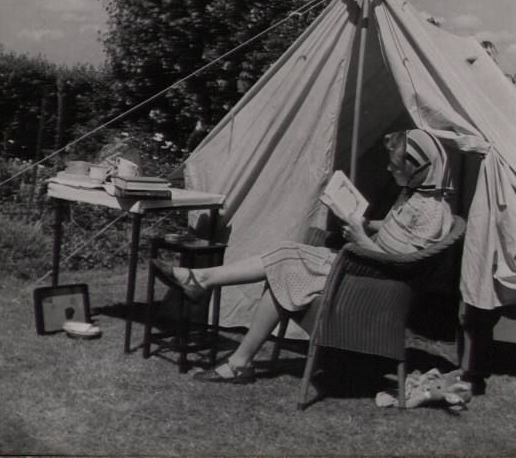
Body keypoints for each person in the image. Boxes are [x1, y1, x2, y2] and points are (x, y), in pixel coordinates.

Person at [155, 128, 454, 384]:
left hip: (374, 288)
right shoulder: (415, 195)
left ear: (418, 167)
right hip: (364, 270)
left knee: (285, 262)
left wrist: (362, 240)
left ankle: (208, 291)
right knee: (284, 258)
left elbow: (405, 267)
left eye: (396, 165)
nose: (390, 170)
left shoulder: (432, 211)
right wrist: (365, 223)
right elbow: (395, 231)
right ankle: (233, 349)